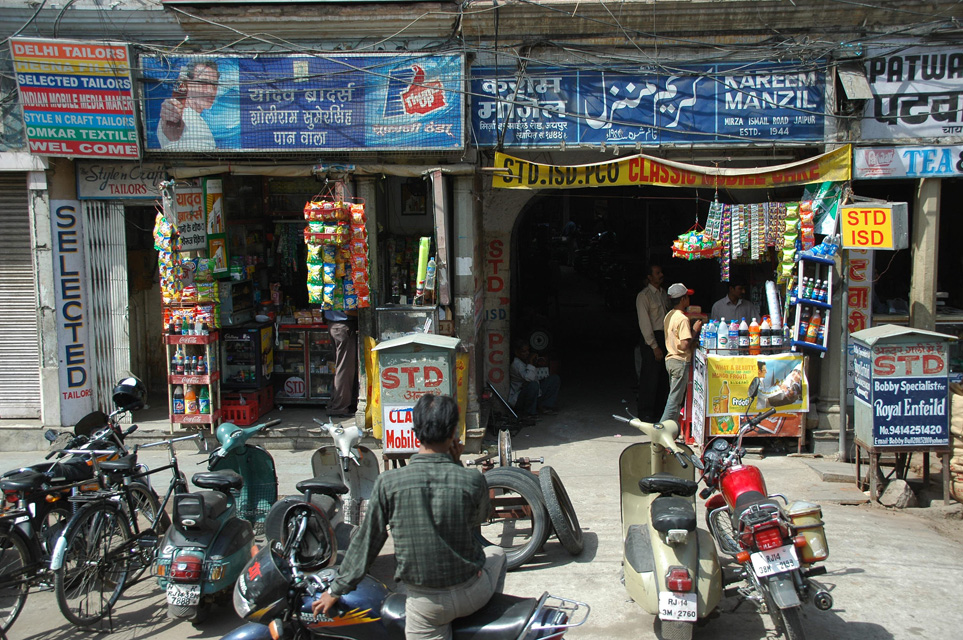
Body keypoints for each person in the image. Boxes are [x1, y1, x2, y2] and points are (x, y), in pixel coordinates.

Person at [312, 394, 507, 640]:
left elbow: (368, 541)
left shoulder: (388, 483)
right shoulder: (472, 479)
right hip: (472, 593)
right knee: (497, 554)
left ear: (415, 432)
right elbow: (478, 518)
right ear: (454, 434)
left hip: (425, 607)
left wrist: (336, 589)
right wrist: (455, 464)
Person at [659, 283, 703, 424]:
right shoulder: (682, 318)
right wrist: (695, 330)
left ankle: (671, 428)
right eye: (687, 297)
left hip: (671, 360)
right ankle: (661, 429)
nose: (689, 299)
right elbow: (684, 345)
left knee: (674, 398)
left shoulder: (669, 315)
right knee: (674, 400)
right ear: (683, 299)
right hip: (680, 361)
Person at [157, 60, 220, 150]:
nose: (210, 91)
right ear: (187, 84)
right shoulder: (181, 114)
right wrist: (172, 115)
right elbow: (172, 131)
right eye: (203, 83)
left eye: (214, 85)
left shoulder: (197, 119)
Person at [635, 264, 670, 421]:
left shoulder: (663, 294)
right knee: (650, 377)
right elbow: (645, 323)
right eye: (657, 273)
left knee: (662, 377)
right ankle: (646, 413)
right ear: (649, 277)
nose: (661, 275)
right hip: (651, 339)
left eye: (661, 272)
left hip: (664, 337)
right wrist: (654, 346)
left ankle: (659, 412)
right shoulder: (644, 296)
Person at [509, 339, 560, 420]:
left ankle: (545, 406)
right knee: (533, 385)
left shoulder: (525, 361)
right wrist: (531, 363)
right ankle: (530, 413)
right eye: (524, 351)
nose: (527, 353)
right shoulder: (516, 364)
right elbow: (529, 378)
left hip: (535, 393)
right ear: (517, 352)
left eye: (528, 351)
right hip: (519, 398)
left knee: (554, 379)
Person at [324, 308, 358, 418]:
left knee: (340, 367)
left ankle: (335, 404)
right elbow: (348, 311)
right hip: (343, 326)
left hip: (334, 325)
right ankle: (339, 407)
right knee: (344, 369)